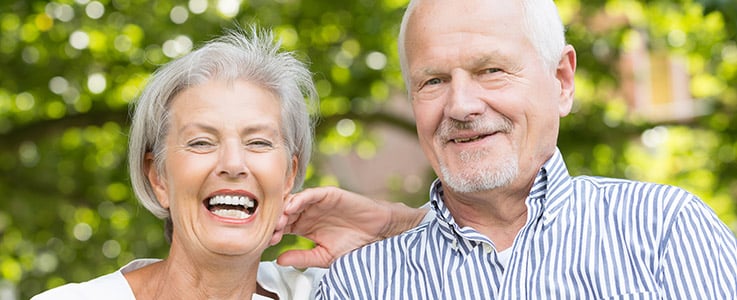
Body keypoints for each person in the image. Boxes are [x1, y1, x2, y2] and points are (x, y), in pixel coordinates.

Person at [314, 0, 737, 298]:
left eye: (491, 70)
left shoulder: (666, 232)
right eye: (434, 81)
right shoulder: (361, 283)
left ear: (562, 81)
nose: (461, 106)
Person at [33, 26, 325, 300]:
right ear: (158, 177)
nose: (233, 164)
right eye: (201, 142)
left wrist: (371, 232)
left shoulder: (330, 289)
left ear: (289, 175)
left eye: (258, 142)